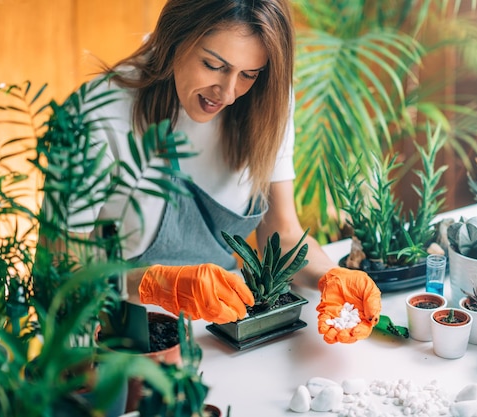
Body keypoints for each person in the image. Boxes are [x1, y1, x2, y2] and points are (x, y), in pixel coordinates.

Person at [76, 0, 381, 344]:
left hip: (221, 335)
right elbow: (56, 273)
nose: (228, 92)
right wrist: (150, 284)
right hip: (126, 343)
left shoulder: (267, 100)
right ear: (175, 36)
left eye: (249, 74)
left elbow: (281, 234)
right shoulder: (99, 114)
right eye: (213, 64)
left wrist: (329, 276)